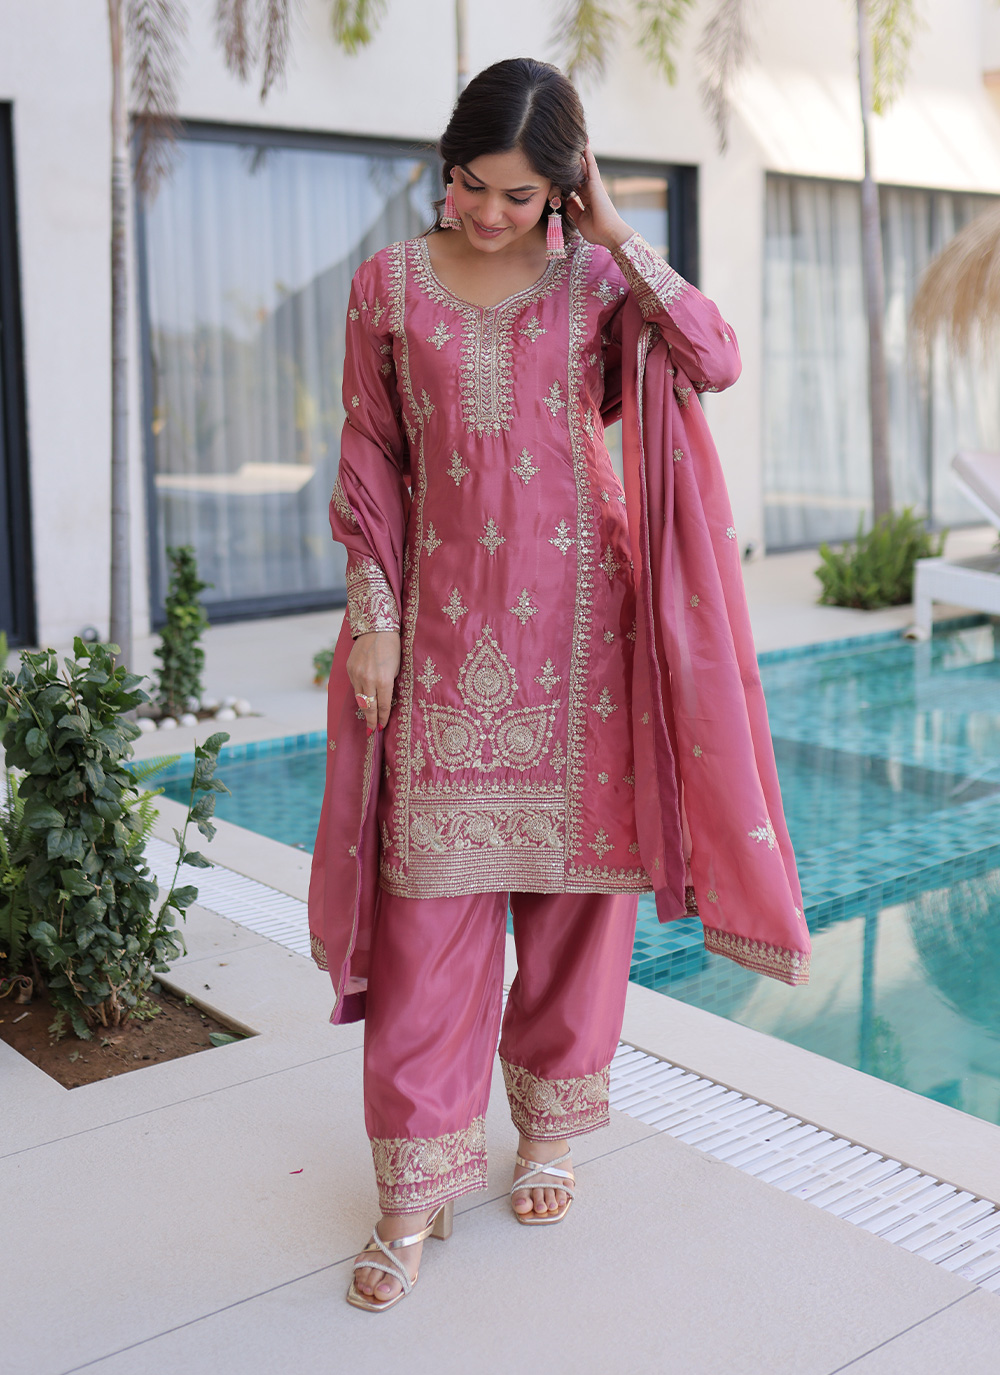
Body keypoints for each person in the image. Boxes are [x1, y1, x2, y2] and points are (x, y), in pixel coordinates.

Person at [309, 56, 810, 1313]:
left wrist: (617, 231)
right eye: (470, 184)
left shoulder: (596, 283)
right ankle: (413, 1190)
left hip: (590, 637)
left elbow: (713, 357)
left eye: (520, 194)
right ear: (446, 167)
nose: (487, 212)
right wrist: (372, 621)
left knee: (577, 908)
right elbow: (369, 453)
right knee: (426, 923)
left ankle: (547, 1130)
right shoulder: (386, 287)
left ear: (565, 187)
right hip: (440, 639)